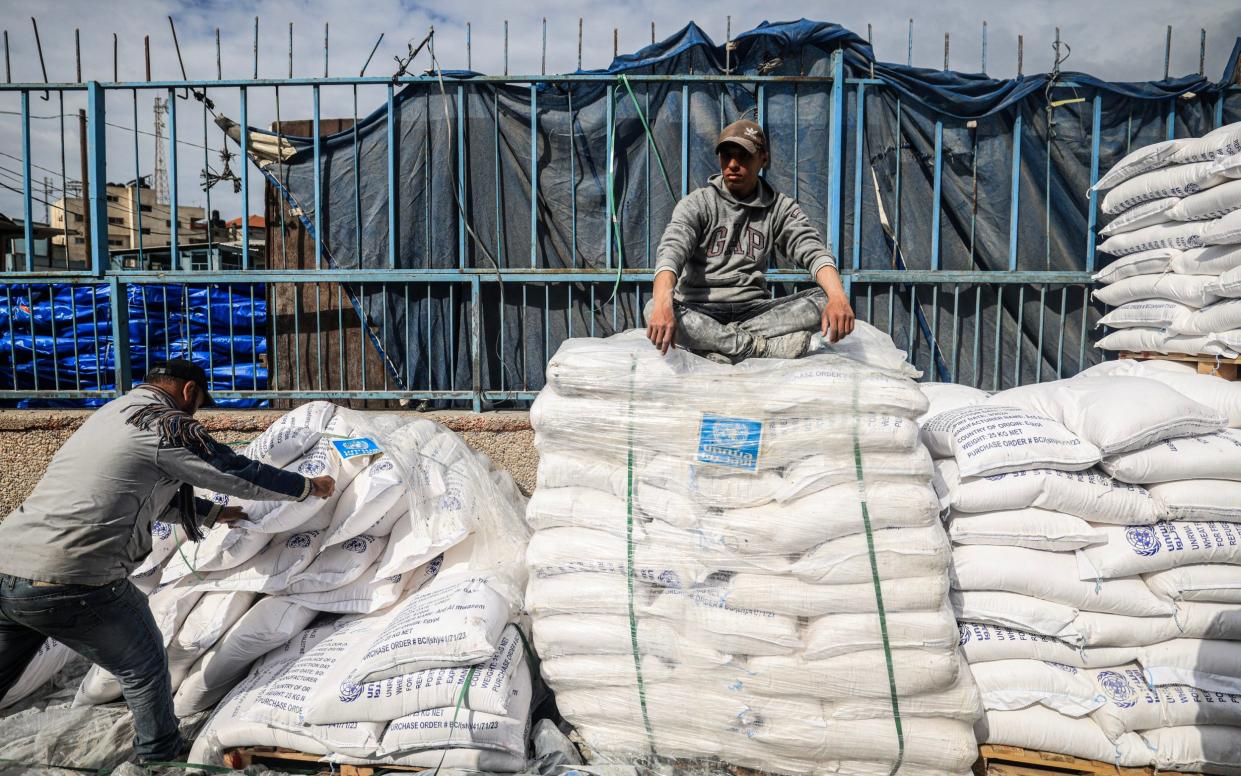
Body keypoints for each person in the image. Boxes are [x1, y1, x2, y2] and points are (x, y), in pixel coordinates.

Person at [0, 359, 335, 763]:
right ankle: (159, 755)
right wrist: (306, 486)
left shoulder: (113, 413)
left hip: (9, 565)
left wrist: (214, 514)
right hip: (72, 573)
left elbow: (144, 493)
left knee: (4, 669)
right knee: (142, 664)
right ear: (190, 391)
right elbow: (230, 470)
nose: (196, 412)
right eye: (198, 403)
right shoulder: (165, 424)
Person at [645, 118, 855, 361]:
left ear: (763, 159)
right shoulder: (698, 203)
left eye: (743, 156)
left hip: (755, 312)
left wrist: (839, 297)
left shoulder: (779, 207)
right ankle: (756, 348)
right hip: (700, 307)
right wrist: (663, 303)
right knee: (652, 307)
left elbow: (812, 249)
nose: (733, 164)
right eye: (726, 156)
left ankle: (717, 345)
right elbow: (672, 251)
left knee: (826, 300)